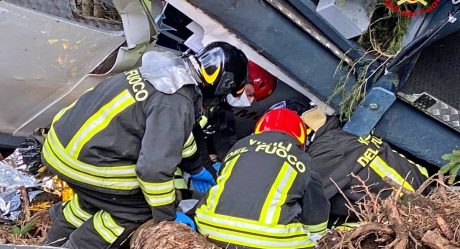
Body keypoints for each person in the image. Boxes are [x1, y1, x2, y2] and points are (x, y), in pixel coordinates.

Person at [42, 42, 249, 249]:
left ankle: (51, 244)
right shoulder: (175, 101)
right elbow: (152, 170)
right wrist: (166, 216)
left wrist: (196, 168)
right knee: (136, 211)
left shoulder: (164, 73)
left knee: (94, 201)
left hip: (60, 148)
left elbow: (177, 135)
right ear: (223, 84)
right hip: (86, 163)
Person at [194, 108, 330, 249]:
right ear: (301, 137)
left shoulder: (239, 146)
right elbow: (316, 211)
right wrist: (317, 239)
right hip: (267, 239)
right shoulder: (304, 160)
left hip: (210, 227)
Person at [302, 107, 429, 217]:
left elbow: (303, 202)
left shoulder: (324, 154)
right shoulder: (340, 135)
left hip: (408, 207)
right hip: (423, 184)